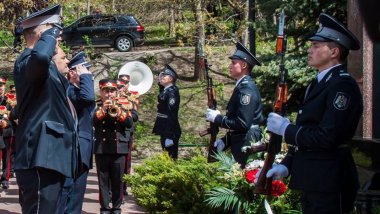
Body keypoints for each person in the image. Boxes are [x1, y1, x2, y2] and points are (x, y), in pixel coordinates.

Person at [265, 13, 363, 213]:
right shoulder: (318, 83)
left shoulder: (342, 86)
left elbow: (327, 137)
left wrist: (286, 128)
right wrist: (287, 164)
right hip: (314, 180)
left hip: (330, 180)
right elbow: (307, 130)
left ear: (334, 51)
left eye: (316, 46)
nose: (310, 50)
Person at [12, 4, 80, 213]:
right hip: (41, 157)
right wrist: (48, 36)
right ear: (41, 33)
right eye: (54, 30)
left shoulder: (46, 69)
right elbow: (41, 57)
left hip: (52, 157)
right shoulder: (27, 61)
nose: (58, 36)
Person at [205, 42, 263, 168]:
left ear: (243, 65)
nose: (230, 66)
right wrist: (225, 141)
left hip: (247, 142)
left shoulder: (246, 90)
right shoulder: (241, 87)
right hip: (242, 140)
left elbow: (242, 123)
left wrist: (218, 118)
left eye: (233, 63)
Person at [55, 51, 95, 213]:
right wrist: (85, 78)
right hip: (75, 149)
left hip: (81, 149)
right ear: (73, 73)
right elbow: (88, 98)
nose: (88, 73)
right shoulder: (71, 91)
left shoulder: (76, 90)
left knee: (76, 194)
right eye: (83, 70)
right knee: (72, 195)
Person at [93, 79, 133, 214]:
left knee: (118, 181)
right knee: (103, 182)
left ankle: (116, 208)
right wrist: (104, 109)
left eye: (112, 91)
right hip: (102, 148)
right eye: (106, 91)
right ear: (101, 92)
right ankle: (104, 208)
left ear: (116, 92)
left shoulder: (124, 104)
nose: (109, 94)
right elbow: (92, 121)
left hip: (118, 149)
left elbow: (129, 122)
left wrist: (118, 111)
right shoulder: (96, 105)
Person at [152, 65, 181, 159]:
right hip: (164, 128)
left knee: (171, 157)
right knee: (166, 156)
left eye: (165, 76)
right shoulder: (166, 90)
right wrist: (160, 82)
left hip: (170, 130)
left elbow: (171, 112)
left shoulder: (172, 92)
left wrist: (169, 134)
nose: (162, 77)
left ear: (171, 78)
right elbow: (162, 96)